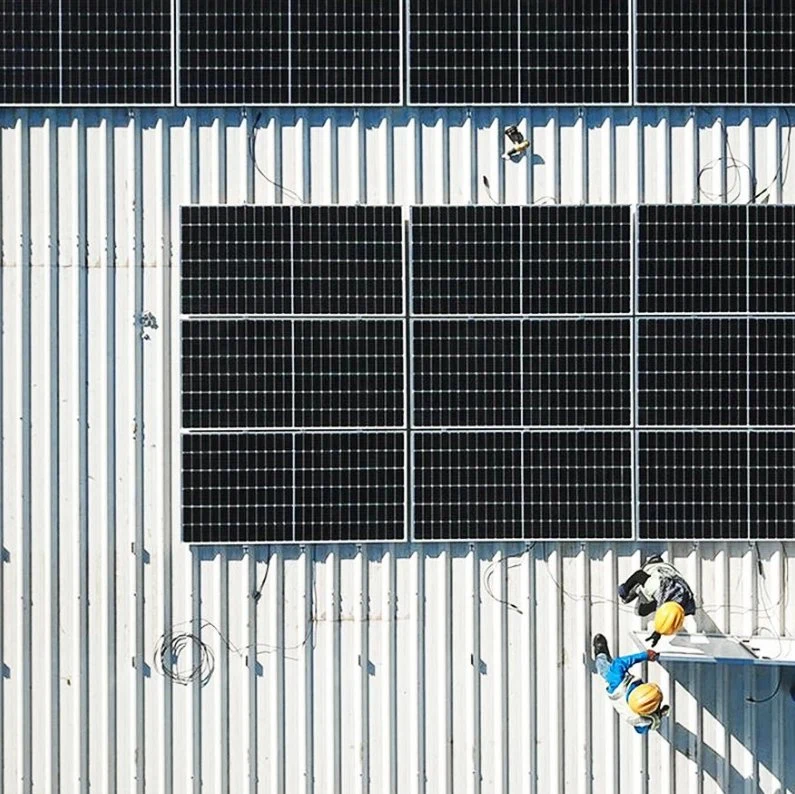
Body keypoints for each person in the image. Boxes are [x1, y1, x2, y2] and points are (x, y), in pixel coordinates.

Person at [593, 634, 670, 734]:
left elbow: (620, 662)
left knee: (603, 667)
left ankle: (600, 653)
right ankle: (601, 655)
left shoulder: (616, 680)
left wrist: (645, 655)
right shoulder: (643, 717)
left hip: (618, 689)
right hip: (631, 700)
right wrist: (657, 716)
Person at [618, 554, 696, 647]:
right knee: (639, 607)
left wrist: (658, 632)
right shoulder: (657, 588)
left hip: (672, 580)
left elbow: (668, 619)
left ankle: (641, 589)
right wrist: (625, 589)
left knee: (640, 611)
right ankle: (638, 587)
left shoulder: (687, 608)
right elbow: (638, 575)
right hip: (658, 568)